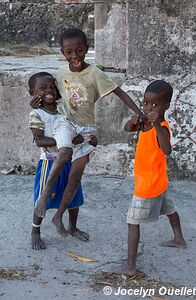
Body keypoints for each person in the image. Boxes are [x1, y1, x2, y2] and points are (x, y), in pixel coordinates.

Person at [31, 28, 146, 236]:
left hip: (86, 130)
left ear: (86, 49)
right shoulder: (60, 74)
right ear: (62, 52)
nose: (74, 56)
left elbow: (119, 92)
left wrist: (139, 112)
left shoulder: (95, 73)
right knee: (64, 152)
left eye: (79, 50)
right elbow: (48, 95)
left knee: (75, 179)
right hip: (65, 123)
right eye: (69, 52)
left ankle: (60, 216)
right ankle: (46, 191)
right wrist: (36, 105)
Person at [114, 80, 187, 275]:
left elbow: (167, 150)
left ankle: (130, 266)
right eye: (146, 103)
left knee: (132, 221)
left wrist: (155, 124)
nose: (148, 108)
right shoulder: (145, 123)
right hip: (158, 182)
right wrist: (133, 122)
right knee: (169, 208)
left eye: (154, 105)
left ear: (166, 106)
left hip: (147, 186)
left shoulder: (161, 127)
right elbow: (127, 129)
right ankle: (179, 239)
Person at [28, 72, 97, 250]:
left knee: (74, 195)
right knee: (42, 199)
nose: (49, 90)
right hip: (49, 163)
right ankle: (35, 232)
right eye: (43, 88)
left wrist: (89, 138)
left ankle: (73, 227)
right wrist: (64, 143)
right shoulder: (37, 113)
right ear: (33, 92)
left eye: (52, 86)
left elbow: (78, 127)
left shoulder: (63, 108)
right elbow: (39, 140)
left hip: (70, 161)